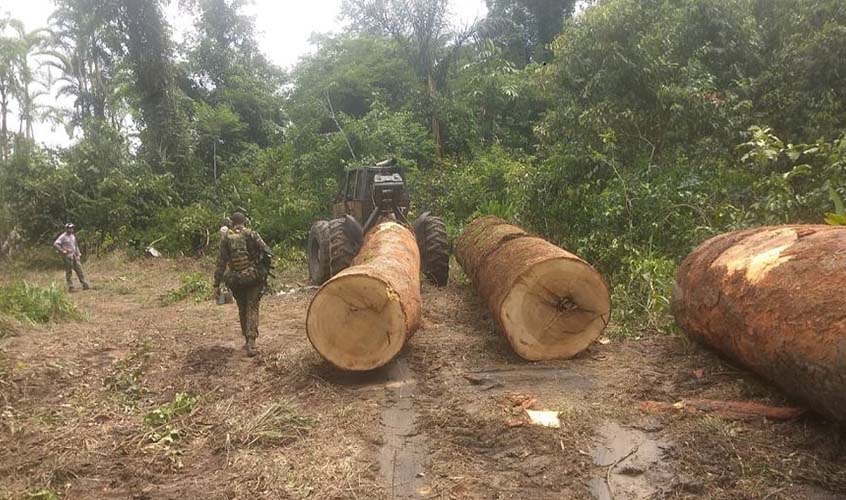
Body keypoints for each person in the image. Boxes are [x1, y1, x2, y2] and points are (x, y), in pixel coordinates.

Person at [213, 212, 272, 357]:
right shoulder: (251, 234)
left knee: (242, 307)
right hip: (252, 277)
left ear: (232, 223)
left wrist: (216, 285)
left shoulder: (226, 238)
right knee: (252, 306)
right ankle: (251, 343)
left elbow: (221, 263)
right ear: (245, 221)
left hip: (235, 279)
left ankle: (246, 339)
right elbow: (267, 252)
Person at [53, 223, 90, 291]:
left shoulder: (72, 236)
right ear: (66, 228)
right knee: (69, 271)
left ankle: (84, 284)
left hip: (74, 255)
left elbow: (75, 245)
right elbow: (56, 244)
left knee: (79, 270)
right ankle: (71, 287)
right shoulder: (63, 236)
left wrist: (78, 253)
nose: (71, 229)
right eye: (69, 228)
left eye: (72, 228)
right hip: (68, 256)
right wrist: (62, 251)